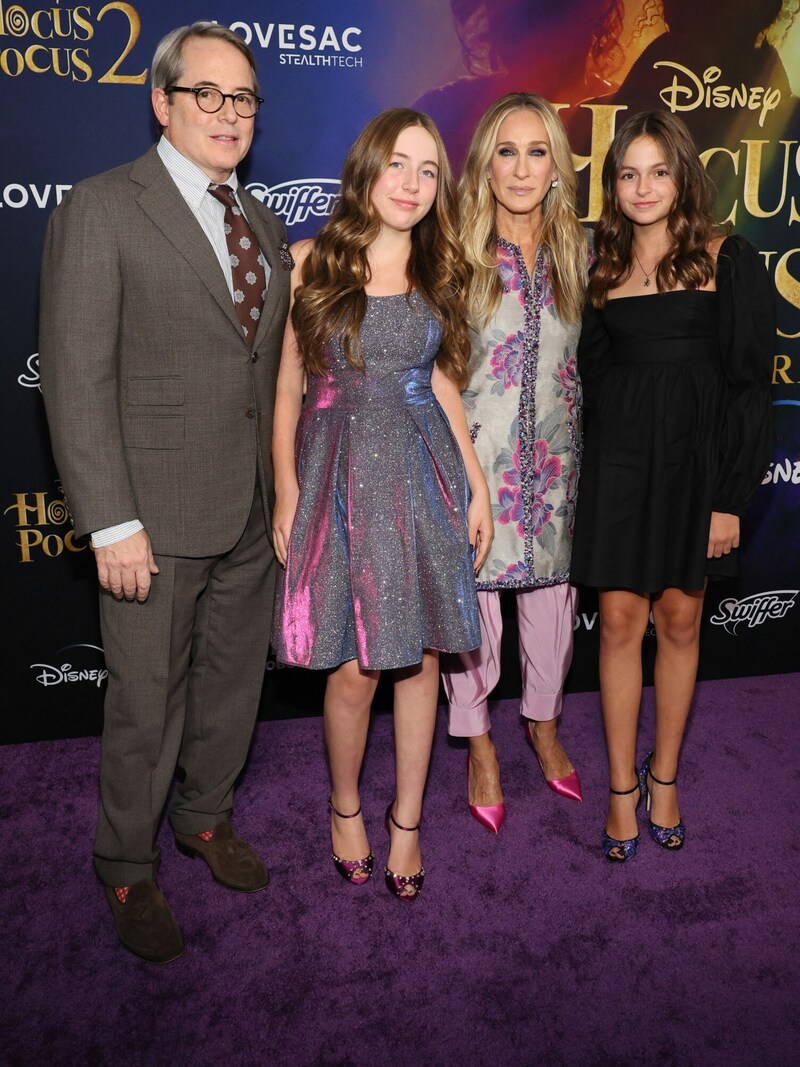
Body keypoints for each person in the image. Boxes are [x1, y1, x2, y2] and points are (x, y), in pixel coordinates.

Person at [38, 22, 291, 961]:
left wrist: (281, 495)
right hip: (149, 514)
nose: (230, 115)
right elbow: (74, 374)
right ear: (163, 100)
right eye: (208, 95)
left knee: (229, 689)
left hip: (246, 506)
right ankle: (124, 864)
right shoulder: (100, 208)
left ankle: (204, 818)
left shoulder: (261, 223)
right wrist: (109, 519)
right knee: (145, 702)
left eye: (245, 99)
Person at [271, 108, 492, 901]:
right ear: (367, 167)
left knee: (422, 657)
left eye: (428, 170)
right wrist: (289, 492)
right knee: (358, 665)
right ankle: (343, 808)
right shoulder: (309, 262)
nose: (412, 183)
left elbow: (443, 383)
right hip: (338, 472)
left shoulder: (441, 271)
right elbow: (290, 386)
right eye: (399, 163)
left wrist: (476, 484)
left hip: (422, 466)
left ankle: (407, 821)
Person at [570, 111, 773, 861]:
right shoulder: (602, 268)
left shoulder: (728, 256)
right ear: (613, 185)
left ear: (682, 175)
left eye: (658, 171)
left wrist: (729, 496)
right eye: (629, 173)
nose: (644, 186)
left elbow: (750, 388)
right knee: (620, 624)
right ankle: (622, 787)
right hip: (621, 467)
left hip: (696, 470)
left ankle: (666, 777)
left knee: (682, 623)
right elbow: (593, 376)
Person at [441, 93, 589, 833]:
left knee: (552, 609)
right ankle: (478, 743)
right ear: (485, 164)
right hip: (476, 460)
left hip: (556, 466)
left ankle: (543, 724)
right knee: (473, 614)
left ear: (557, 166)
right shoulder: (452, 252)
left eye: (538, 151)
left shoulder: (583, 251)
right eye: (507, 150)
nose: (522, 168)